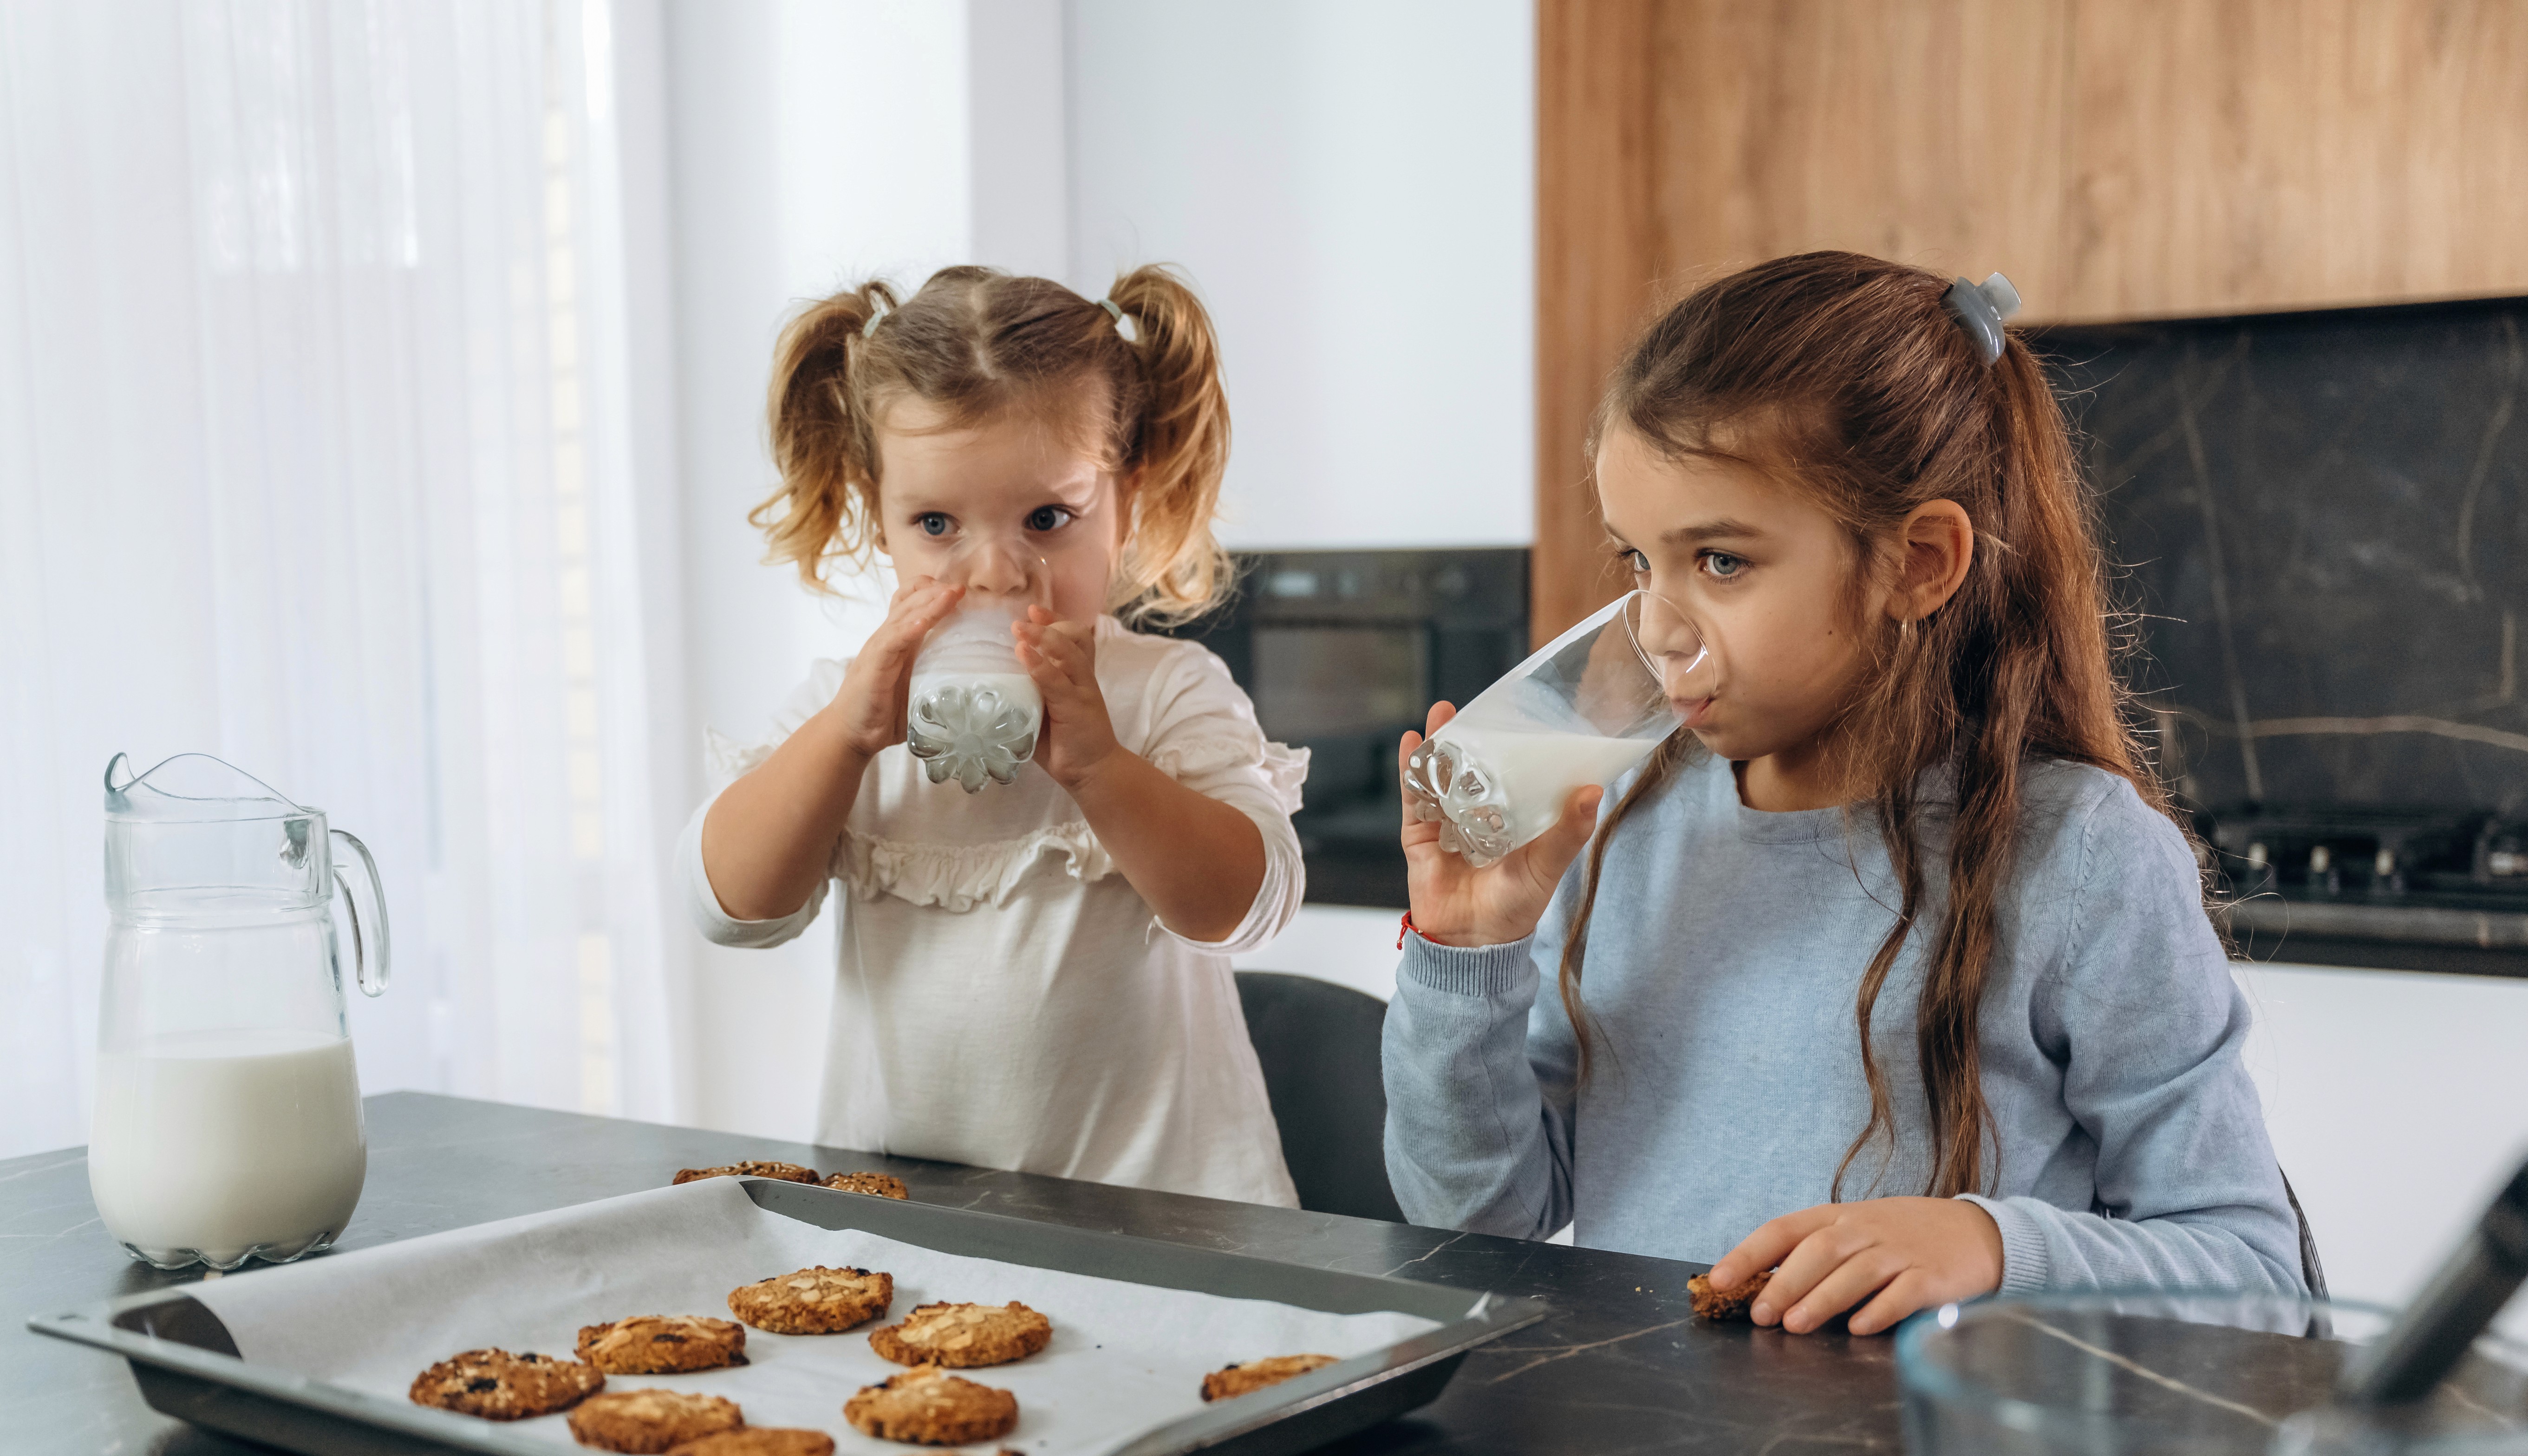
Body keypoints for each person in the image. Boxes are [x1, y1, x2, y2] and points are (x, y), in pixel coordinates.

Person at [1382, 251, 2310, 1334]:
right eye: (1638, 562)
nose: (1658, 627)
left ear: (1917, 562)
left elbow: (2253, 1281)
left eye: (1721, 562)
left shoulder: (2082, 859)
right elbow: (1474, 1222)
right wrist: (1463, 955)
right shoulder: (1614, 830)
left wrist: (1987, 1244)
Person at [682, 265, 1304, 1205]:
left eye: (1048, 519)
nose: (998, 575)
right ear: (878, 519)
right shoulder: (845, 707)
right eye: (936, 524)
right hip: (904, 1221)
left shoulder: (1164, 691)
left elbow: (1242, 906)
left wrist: (1101, 767)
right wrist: (845, 739)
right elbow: (732, 907)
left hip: (1164, 1219)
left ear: (1124, 503)